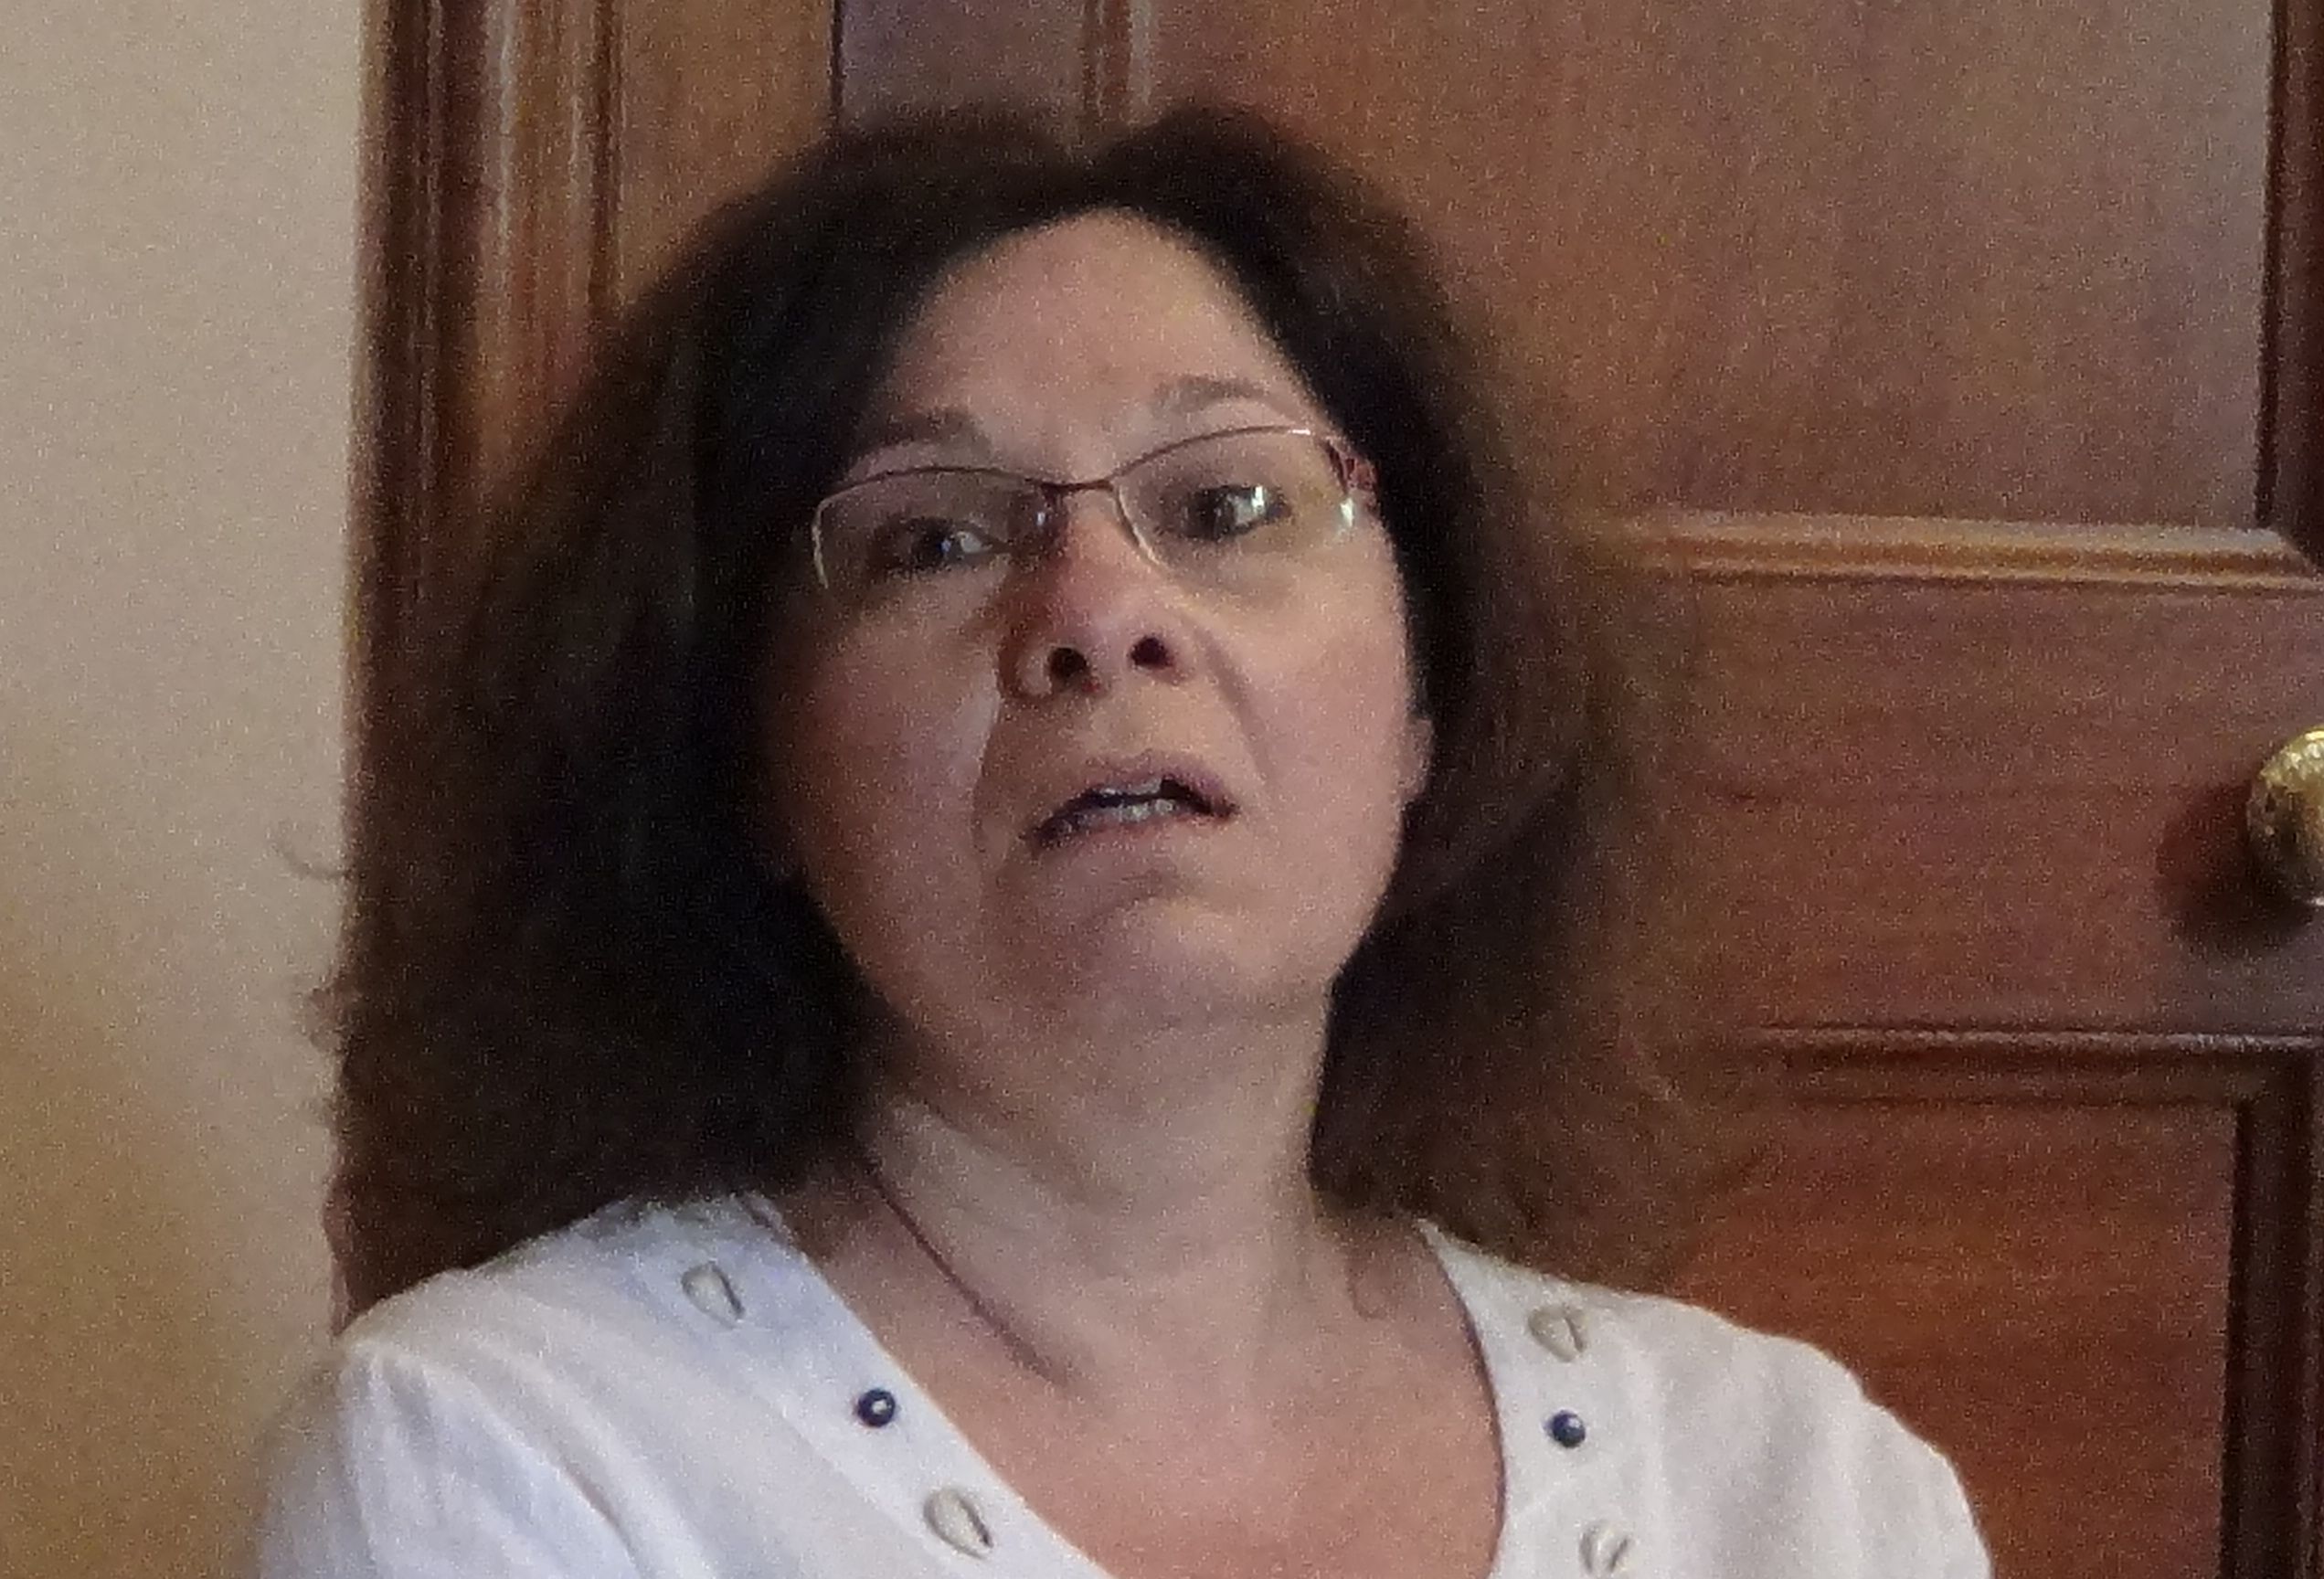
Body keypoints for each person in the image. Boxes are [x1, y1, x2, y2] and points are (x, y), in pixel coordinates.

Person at [253, 106, 1989, 1578]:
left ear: (1429, 706)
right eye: (935, 540)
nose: (1099, 612)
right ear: (744, 757)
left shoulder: (1801, 1490)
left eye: (1226, 506)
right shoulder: (509, 1455)